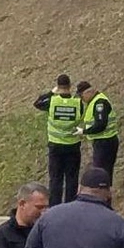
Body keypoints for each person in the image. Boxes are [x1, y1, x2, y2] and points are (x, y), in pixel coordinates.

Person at [34, 74, 83, 205]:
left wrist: (51, 92)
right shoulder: (77, 103)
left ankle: (55, 207)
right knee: (72, 179)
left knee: (55, 179)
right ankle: (70, 207)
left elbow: (37, 103)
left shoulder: (52, 101)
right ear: (70, 86)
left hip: (55, 146)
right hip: (73, 146)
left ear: (58, 86)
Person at [77, 81, 120, 184]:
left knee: (100, 174)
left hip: (105, 142)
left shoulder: (99, 103)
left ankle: (103, 192)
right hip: (103, 141)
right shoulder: (95, 101)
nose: (82, 100)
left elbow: (100, 125)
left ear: (87, 93)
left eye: (82, 97)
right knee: (103, 173)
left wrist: (84, 131)